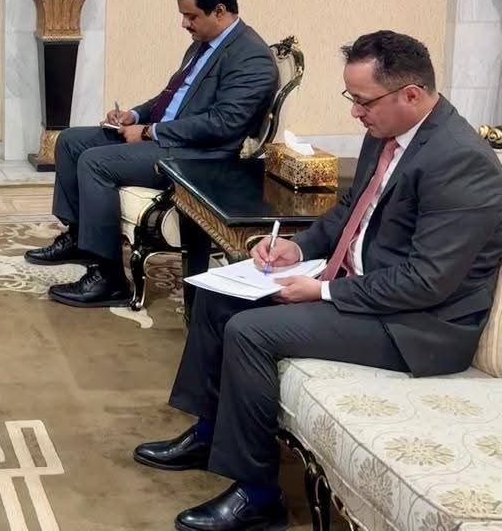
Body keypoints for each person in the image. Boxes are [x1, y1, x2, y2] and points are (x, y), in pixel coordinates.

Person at [135, 31, 502, 531]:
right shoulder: (388, 132)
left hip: (420, 326)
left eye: (363, 101)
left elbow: (426, 282)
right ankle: (209, 432)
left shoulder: (461, 162)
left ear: (411, 94)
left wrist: (323, 290)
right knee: (217, 295)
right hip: (371, 290)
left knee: (251, 331)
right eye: (352, 97)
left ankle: (258, 495)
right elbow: (352, 209)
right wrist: (300, 248)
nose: (355, 112)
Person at [25, 0, 278, 307]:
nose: (184, 24)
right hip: (169, 138)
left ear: (219, 11)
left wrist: (148, 131)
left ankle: (109, 279)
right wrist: (135, 115)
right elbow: (173, 97)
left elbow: (223, 124)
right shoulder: (205, 42)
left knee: (95, 163)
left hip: (201, 155)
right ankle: (79, 237)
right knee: (71, 141)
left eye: (191, 16)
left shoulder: (251, 57)